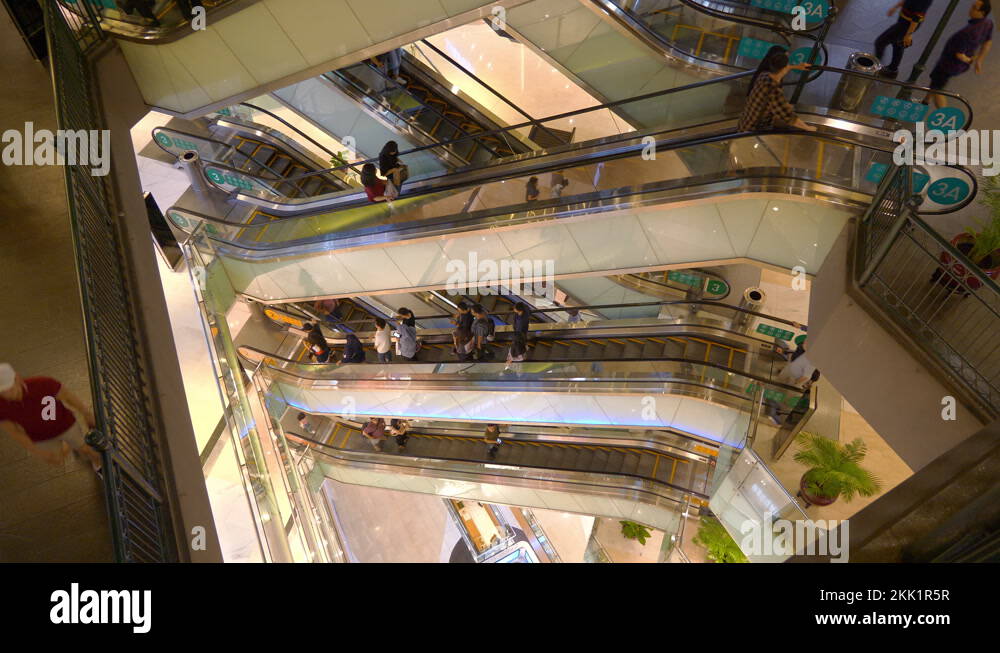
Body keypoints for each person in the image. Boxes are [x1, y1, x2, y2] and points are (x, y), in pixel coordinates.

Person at [0, 364, 101, 472]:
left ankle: (97, 461)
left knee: (84, 448)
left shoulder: (43, 384)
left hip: (66, 425)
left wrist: (86, 413)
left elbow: (67, 396)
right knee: (57, 457)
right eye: (1, 392)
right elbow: (14, 431)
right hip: (41, 437)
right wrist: (38, 452)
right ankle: (69, 445)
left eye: (9, 389)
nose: (7, 395)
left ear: (18, 379)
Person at [926, 0, 993, 108]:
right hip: (953, 64)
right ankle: (925, 101)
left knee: (938, 89)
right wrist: (979, 60)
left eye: (974, 8)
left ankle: (945, 117)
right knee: (935, 81)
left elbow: (959, 55)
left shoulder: (968, 32)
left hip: (948, 64)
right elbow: (988, 42)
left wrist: (971, 60)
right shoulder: (988, 23)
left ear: (982, 12)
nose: (970, 9)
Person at [738, 49, 816, 132]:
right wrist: (809, 128)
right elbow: (788, 117)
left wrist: (797, 66)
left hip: (744, 123)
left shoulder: (764, 75)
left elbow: (785, 68)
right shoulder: (773, 90)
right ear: (784, 68)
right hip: (752, 131)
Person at [875, 1, 934, 78]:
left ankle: (875, 66)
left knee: (880, 42)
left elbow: (917, 17)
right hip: (903, 20)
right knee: (897, 43)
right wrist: (895, 7)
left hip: (907, 25)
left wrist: (908, 34)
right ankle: (892, 70)